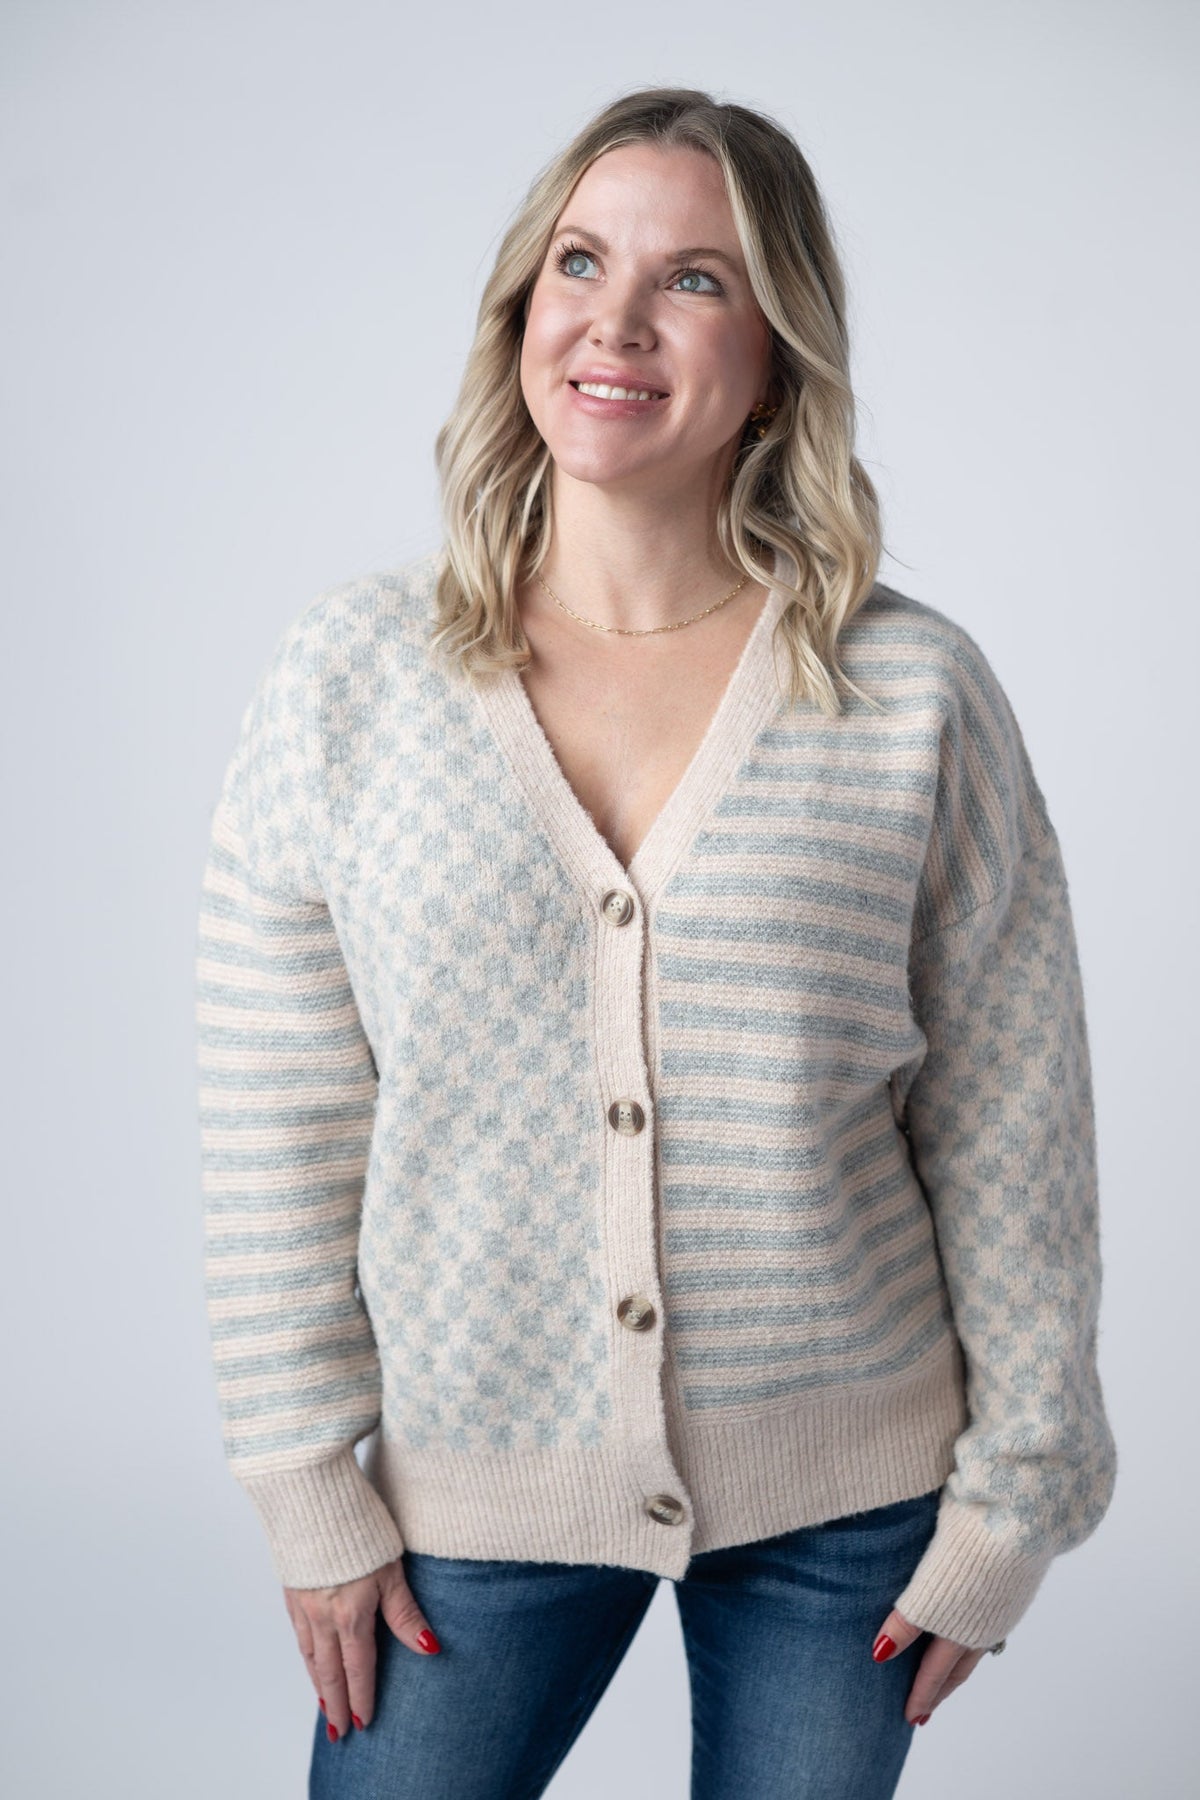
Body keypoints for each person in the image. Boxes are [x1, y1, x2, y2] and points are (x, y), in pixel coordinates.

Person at [194, 86, 1118, 1799]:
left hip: (850, 1508)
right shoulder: (354, 679)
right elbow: (277, 1116)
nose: (614, 323)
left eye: (693, 280)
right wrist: (307, 1481)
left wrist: (1015, 1504)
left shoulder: (909, 692)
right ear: (521, 314)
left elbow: (1013, 1120)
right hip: (476, 1480)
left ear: (775, 351)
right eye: (580, 264)